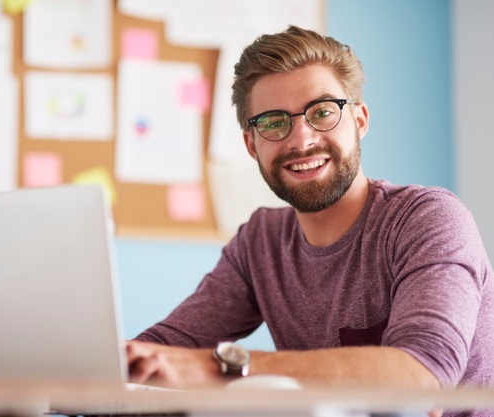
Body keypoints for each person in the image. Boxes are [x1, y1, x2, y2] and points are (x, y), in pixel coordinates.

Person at [126, 25, 494, 412]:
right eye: (272, 121)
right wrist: (108, 362)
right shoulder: (260, 243)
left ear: (360, 121)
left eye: (322, 112)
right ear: (252, 145)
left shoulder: (428, 219)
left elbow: (422, 374)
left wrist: (222, 367)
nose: (301, 140)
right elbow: (165, 350)